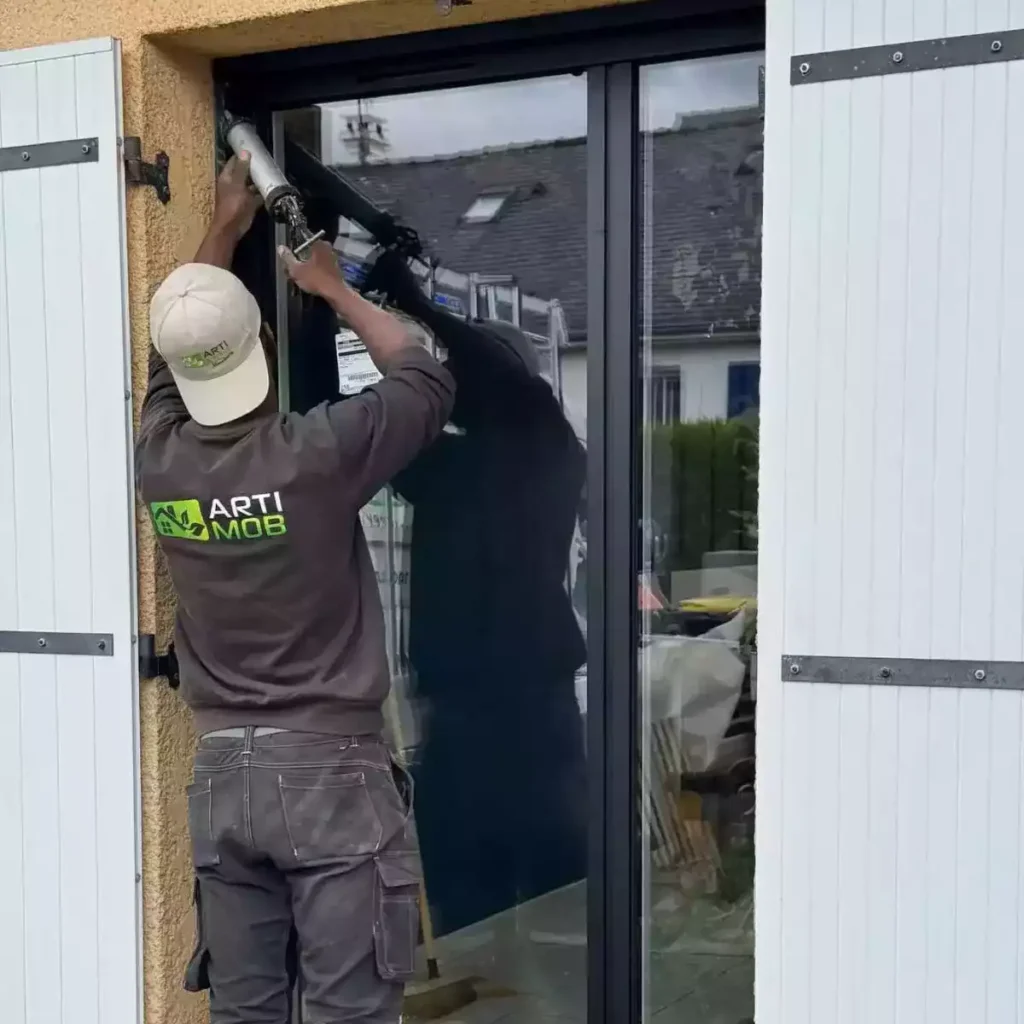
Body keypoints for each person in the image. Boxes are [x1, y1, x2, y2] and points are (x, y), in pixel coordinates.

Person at [135, 153, 455, 1024]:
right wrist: (334, 286)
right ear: (265, 348)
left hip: (223, 779)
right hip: (329, 776)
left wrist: (223, 226)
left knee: (246, 1015)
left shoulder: (159, 461)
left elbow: (173, 363)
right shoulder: (313, 456)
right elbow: (425, 378)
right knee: (351, 1013)